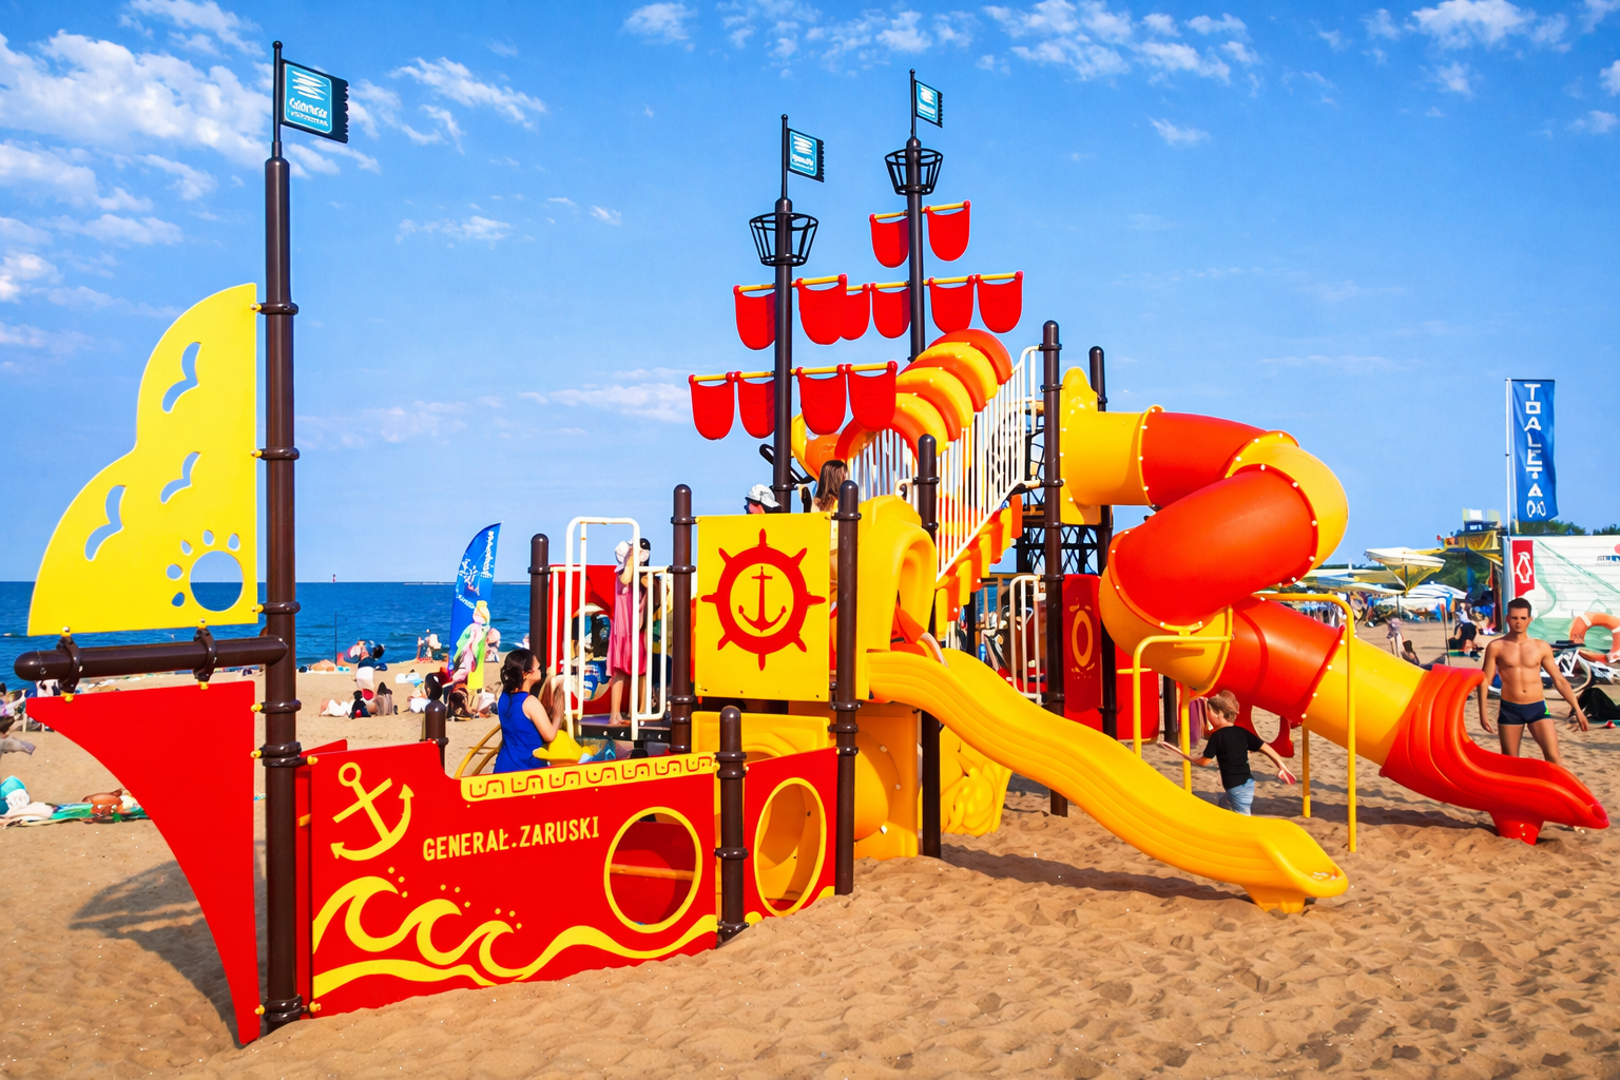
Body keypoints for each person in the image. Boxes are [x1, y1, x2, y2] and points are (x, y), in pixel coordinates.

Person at [1475, 597, 1587, 764]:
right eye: (1514, 618)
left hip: (1538, 708)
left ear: (1530, 619)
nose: (1518, 622)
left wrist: (1577, 709)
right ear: (1507, 619)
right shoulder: (1496, 646)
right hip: (1510, 709)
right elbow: (1485, 681)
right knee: (1510, 762)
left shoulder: (1540, 647)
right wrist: (1482, 713)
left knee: (1554, 757)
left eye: (1523, 618)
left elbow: (1559, 680)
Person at [1159, 690, 1296, 815]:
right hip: (1248, 783)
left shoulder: (1217, 737)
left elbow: (1204, 762)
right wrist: (1282, 766)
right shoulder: (1242, 732)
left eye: (1208, 713)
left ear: (1218, 714)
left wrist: (1185, 755)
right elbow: (1266, 748)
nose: (1207, 717)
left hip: (1236, 788)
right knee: (1224, 802)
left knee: (1243, 818)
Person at [493, 648, 564, 773]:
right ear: (525, 674)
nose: (542, 671)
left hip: (504, 765)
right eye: (538, 668)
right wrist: (558, 714)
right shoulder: (530, 702)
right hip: (526, 768)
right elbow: (549, 735)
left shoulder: (504, 697)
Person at [605, 539, 650, 724]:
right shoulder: (633, 576)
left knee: (627, 671)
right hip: (629, 628)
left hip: (626, 628)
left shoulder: (628, 576)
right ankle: (626, 714)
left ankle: (621, 714)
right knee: (632, 671)